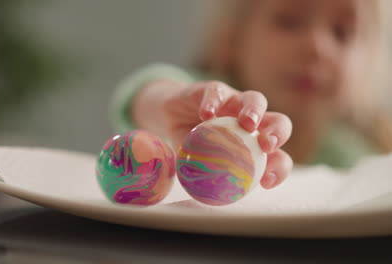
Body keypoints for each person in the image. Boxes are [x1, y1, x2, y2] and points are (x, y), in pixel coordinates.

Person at [111, 0, 392, 189]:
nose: (316, 46)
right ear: (232, 40)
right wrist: (167, 104)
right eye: (289, 22)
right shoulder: (207, 109)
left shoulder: (351, 160)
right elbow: (140, 95)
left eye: (342, 32)